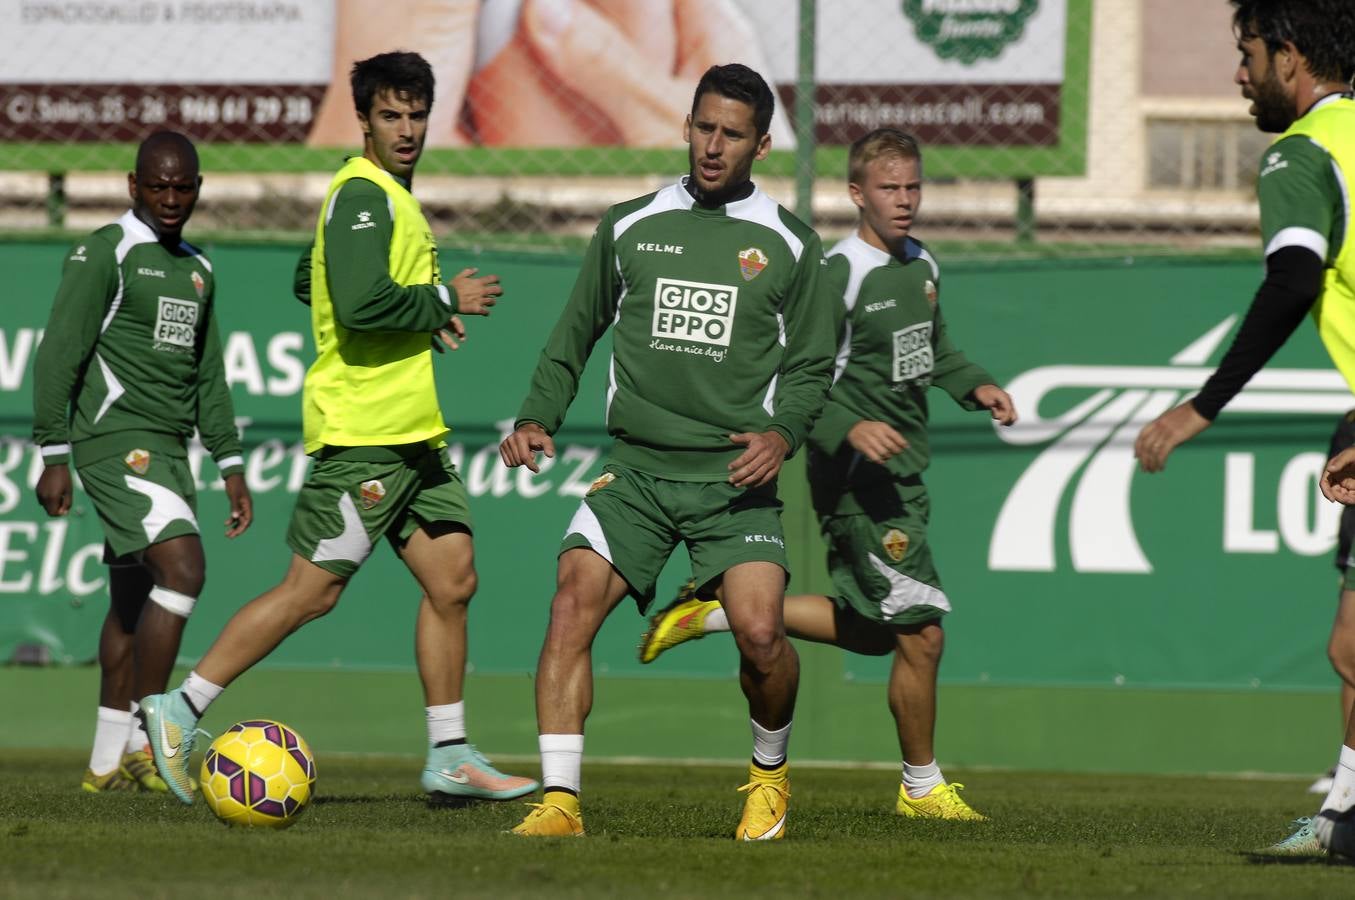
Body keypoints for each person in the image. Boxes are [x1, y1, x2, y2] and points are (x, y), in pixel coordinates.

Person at [140, 51, 536, 807]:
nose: (408, 128)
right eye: (391, 115)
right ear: (363, 119)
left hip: (413, 433)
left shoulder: (383, 196)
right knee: (309, 592)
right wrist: (438, 302)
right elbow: (353, 304)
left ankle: (450, 753)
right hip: (365, 430)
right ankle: (178, 708)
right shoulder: (363, 195)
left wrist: (417, 309)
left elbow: (309, 276)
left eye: (417, 114)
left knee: (453, 580)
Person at [638, 128, 1017, 822]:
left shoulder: (921, 263)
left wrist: (976, 386)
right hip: (853, 481)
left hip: (904, 476)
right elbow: (800, 379)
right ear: (856, 194)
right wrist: (848, 427)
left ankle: (714, 613)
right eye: (888, 188)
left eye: (912, 187)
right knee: (922, 633)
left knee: (875, 631)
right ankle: (921, 787)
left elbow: (933, 351)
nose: (903, 201)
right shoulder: (839, 274)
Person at [497, 63, 835, 839]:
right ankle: (558, 803)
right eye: (703, 127)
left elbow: (812, 366)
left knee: (759, 635)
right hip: (637, 476)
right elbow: (573, 331)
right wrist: (536, 415)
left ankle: (768, 775)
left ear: (761, 144)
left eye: (732, 134)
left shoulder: (791, 245)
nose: (713, 146)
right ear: (685, 126)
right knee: (568, 608)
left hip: (731, 484)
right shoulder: (628, 224)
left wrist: (782, 433)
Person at [1132, 0, 1355, 857]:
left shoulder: (1300, 155)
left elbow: (1293, 279)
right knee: (1349, 642)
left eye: (1247, 54)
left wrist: (1202, 405)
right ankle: (1341, 822)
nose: (1239, 74)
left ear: (1290, 59)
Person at [31, 132, 254, 794]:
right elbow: (58, 352)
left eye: (183, 187)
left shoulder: (198, 268)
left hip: (170, 448)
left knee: (132, 603)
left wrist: (231, 465)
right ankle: (155, 730)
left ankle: (106, 762)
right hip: (114, 440)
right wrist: (53, 452)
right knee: (184, 568)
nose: (170, 199)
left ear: (198, 188)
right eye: (157, 186)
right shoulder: (107, 252)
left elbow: (208, 376)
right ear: (133, 186)